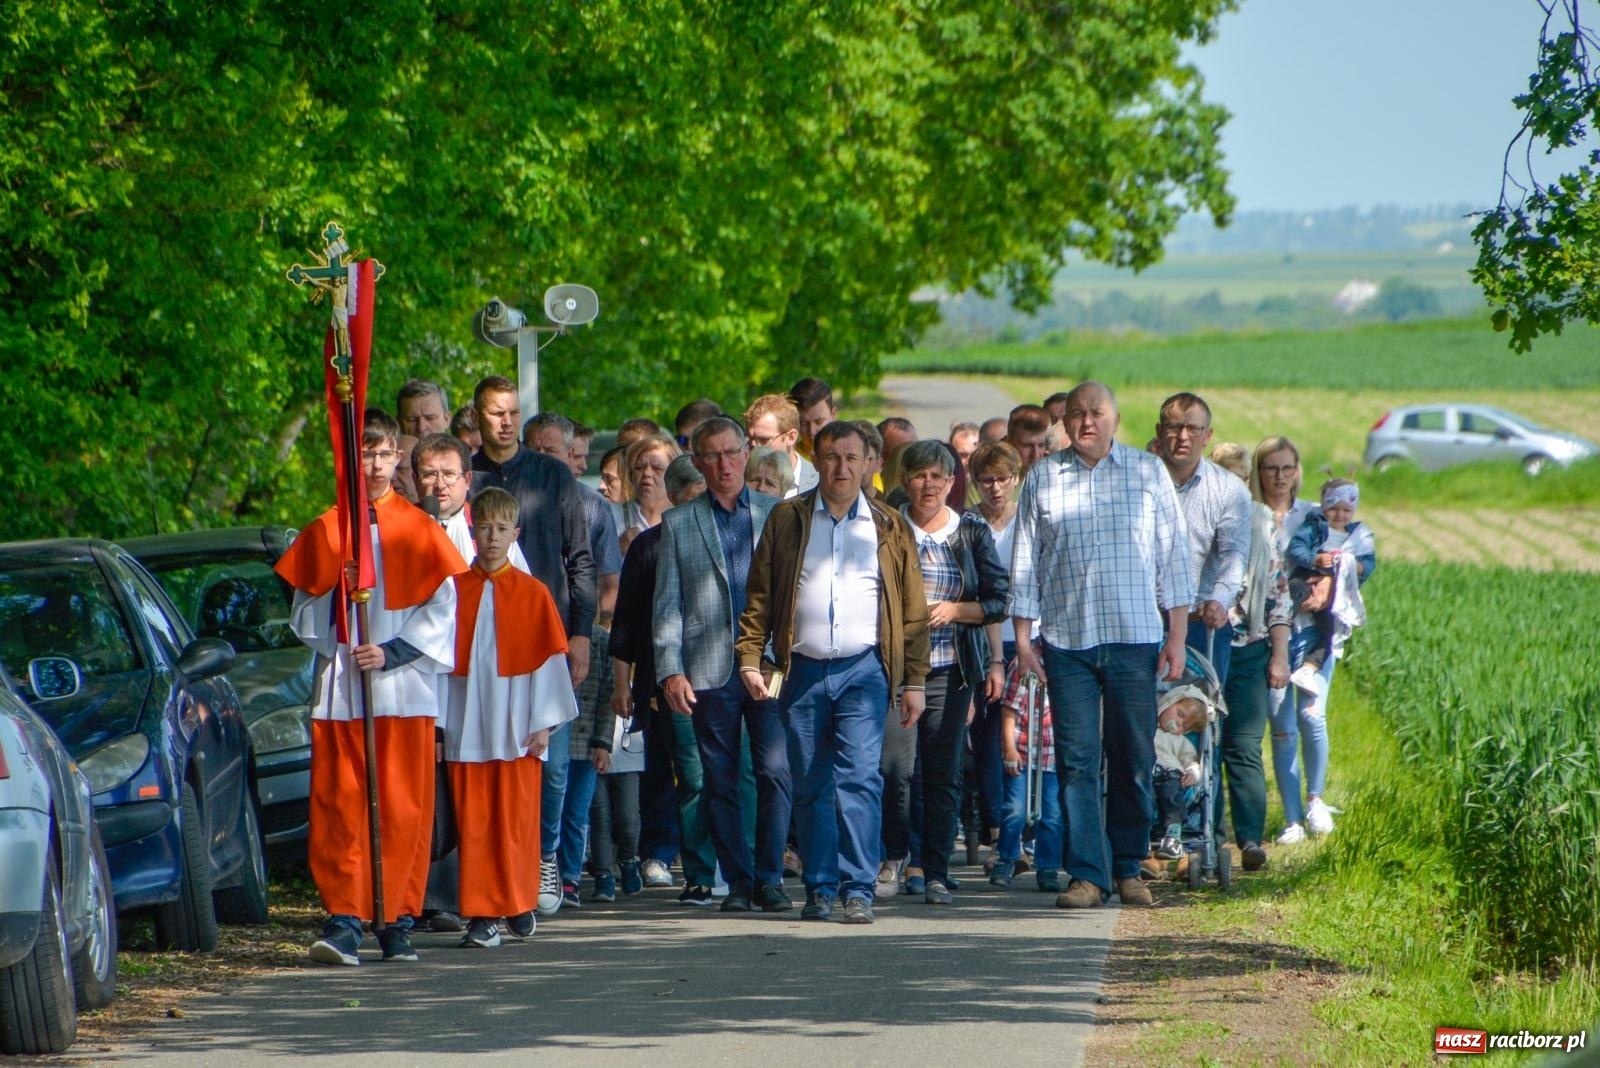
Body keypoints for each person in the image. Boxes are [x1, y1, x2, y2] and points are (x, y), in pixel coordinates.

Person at [277, 408, 467, 966]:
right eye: (367, 453)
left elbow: (443, 612)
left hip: (403, 690)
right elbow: (304, 611)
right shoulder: (331, 526)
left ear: (398, 459)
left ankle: (397, 918)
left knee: (404, 807)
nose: (377, 464)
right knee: (342, 804)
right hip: (343, 690)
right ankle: (345, 916)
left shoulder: (419, 528)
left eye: (386, 454)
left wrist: (390, 652)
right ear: (350, 458)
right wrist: (341, 604)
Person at [737, 421, 930, 925]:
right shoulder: (787, 519)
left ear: (870, 463)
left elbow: (912, 612)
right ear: (816, 460)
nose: (841, 468)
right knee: (811, 781)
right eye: (831, 457)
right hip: (802, 669)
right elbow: (760, 594)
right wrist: (750, 657)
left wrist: (913, 681)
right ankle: (820, 888)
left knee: (860, 779)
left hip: (864, 670)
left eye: (852, 458)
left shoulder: (889, 527)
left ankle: (858, 887)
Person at [1011, 381, 1191, 910]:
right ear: (1063, 422)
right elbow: (1025, 562)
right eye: (1076, 414)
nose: (1086, 422)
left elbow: (1174, 557)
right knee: (1076, 760)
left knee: (1133, 757)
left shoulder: (1146, 471)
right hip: (1067, 642)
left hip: (1134, 637)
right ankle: (1088, 875)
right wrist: (1024, 640)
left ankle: (1129, 867)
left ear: (1115, 418)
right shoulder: (1044, 476)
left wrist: (1177, 635)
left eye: (1097, 412)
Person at [468, 375, 595, 916]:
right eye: (495, 412)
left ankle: (543, 856)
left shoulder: (551, 474)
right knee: (489, 761)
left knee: (553, 761)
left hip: (547, 636)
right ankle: (499, 870)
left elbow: (579, 558)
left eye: (513, 412)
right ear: (477, 417)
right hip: (481, 641)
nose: (505, 422)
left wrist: (582, 633)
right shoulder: (467, 477)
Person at [655, 415, 793, 914]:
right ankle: (737, 883)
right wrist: (670, 669)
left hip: (771, 664)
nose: (724, 464)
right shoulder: (679, 522)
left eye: (732, 452)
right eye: (712, 455)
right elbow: (667, 604)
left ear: (746, 454)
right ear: (698, 463)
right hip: (708, 667)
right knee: (721, 780)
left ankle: (770, 877)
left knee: (776, 772)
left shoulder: (779, 512)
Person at [440, 487, 579, 948]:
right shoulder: (453, 592)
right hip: (466, 726)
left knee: (515, 822)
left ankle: (516, 899)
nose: (493, 537)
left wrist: (544, 724)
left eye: (502, 529)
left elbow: (548, 663)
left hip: (517, 725)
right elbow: (441, 666)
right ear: (472, 532)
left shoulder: (533, 593)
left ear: (515, 533)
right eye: (484, 528)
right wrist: (439, 727)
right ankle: (485, 916)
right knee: (475, 821)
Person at [883, 440, 1007, 906]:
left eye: (938, 476)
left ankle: (934, 870)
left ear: (953, 482)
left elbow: (998, 600)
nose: (928, 484)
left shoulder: (971, 531)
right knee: (893, 770)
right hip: (895, 670)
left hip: (951, 670)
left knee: (942, 772)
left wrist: (958, 610)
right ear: (905, 480)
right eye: (919, 475)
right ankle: (895, 856)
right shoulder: (889, 528)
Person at [610, 456, 721, 901]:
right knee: (687, 774)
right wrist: (623, 684)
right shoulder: (650, 546)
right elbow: (626, 622)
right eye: (693, 498)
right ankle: (691, 867)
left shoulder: (729, 537)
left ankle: (737, 864)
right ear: (673, 499)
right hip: (670, 679)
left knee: (732, 773)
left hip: (727, 676)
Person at [1216, 473, 1293, 872]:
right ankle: (1205, 837)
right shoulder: (1204, 520)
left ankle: (1249, 839)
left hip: (1250, 648)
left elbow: (1280, 599)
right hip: (1206, 645)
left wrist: (1279, 657)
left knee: (1243, 745)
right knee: (1202, 746)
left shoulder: (1262, 525)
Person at [1249, 437, 1324, 845]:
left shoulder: (1313, 516)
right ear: (1259, 473)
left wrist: (1326, 586)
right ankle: (1291, 818)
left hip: (1311, 630)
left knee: (1312, 715)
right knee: (1281, 726)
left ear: (1297, 471)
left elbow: (1344, 558)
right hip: (1267, 631)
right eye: (1270, 469)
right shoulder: (1252, 516)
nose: (1279, 477)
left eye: (1287, 468)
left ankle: (1315, 799)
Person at [1154, 392, 1251, 686]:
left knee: (1196, 720)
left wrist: (1220, 602)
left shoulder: (1229, 490)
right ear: (1159, 432)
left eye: (1193, 429)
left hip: (1200, 625)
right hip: (1140, 622)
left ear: (1207, 435)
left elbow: (1234, 556)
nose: (1183, 436)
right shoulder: (1136, 483)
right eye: (1174, 427)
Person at [966, 441, 1024, 866]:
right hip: (984, 639)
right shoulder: (968, 524)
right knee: (987, 738)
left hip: (1028, 639)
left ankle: (1024, 828)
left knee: (1024, 737)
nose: (995, 488)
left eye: (1002, 478)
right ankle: (996, 828)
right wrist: (992, 658)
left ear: (1015, 478)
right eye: (986, 480)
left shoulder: (1029, 520)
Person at [1286, 478, 1376, 690]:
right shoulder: (1314, 525)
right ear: (1324, 506)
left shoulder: (1358, 536)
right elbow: (1296, 547)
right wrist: (1314, 559)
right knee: (1295, 589)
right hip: (1309, 572)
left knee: (1331, 628)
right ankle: (1281, 624)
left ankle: (1309, 667)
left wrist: (1354, 565)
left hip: (1336, 586)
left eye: (1346, 510)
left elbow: (1369, 563)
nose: (1340, 515)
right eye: (1334, 508)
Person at [994, 649, 1062, 891]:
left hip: (1053, 756)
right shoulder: (1024, 663)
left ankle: (1048, 868)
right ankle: (1006, 858)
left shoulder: (1070, 665)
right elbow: (1009, 709)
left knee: (1052, 814)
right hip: (1023, 751)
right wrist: (1010, 749)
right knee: (1015, 810)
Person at [1151, 687, 1208, 860]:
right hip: (1143, 772)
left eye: (1185, 726)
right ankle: (1138, 838)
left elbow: (1191, 759)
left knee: (1171, 799)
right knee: (1138, 799)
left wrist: (1192, 771)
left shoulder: (1178, 741)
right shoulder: (1144, 727)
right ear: (1168, 702)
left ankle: (1172, 837)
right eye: (1180, 714)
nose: (1179, 724)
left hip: (1171, 775)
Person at [619, 434, 681, 555]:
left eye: (656, 468)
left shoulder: (684, 517)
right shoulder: (612, 515)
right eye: (639, 467)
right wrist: (616, 549)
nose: (647, 473)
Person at [745, 394, 817, 494]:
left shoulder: (818, 483)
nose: (753, 445)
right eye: (750, 439)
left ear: (791, 437)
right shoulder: (739, 478)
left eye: (764, 439)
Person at [789, 377, 837, 465]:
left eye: (819, 422)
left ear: (833, 414)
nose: (811, 431)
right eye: (803, 423)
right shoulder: (789, 461)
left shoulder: (853, 455)